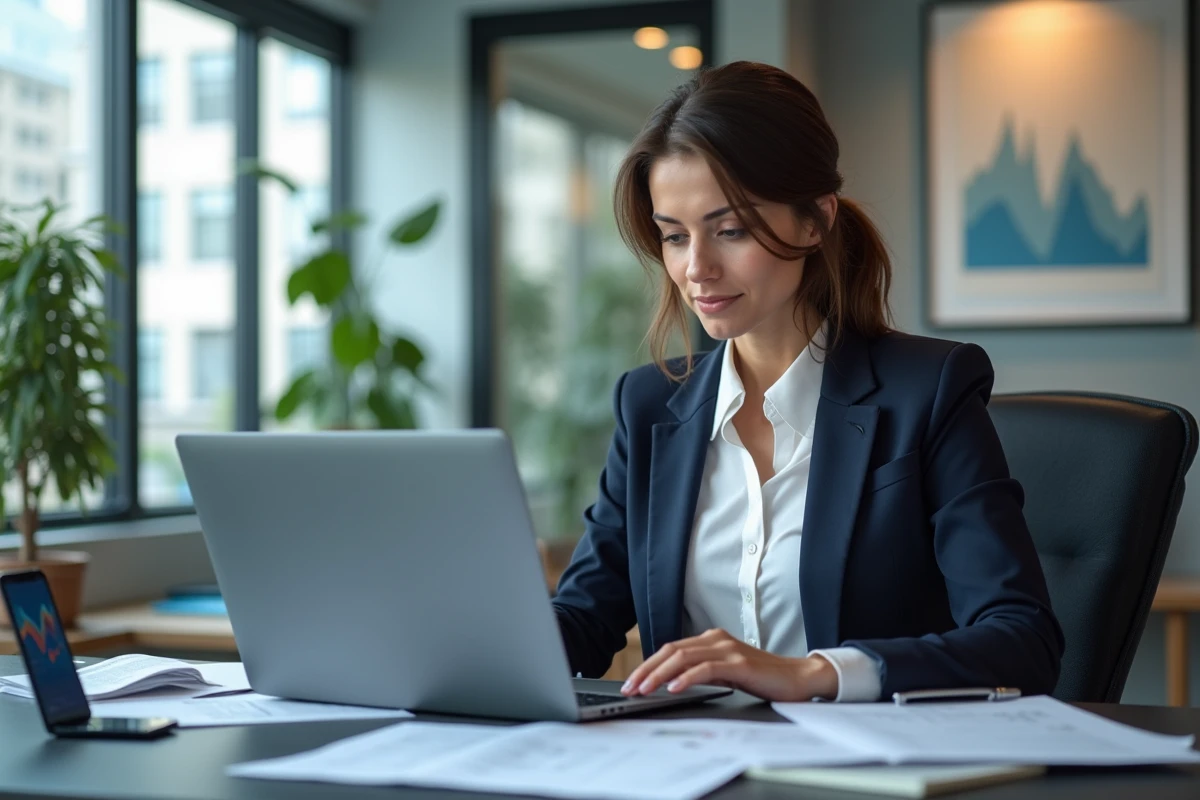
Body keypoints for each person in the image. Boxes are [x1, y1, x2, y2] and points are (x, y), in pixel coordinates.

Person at [550, 61, 1064, 703]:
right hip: (688, 765)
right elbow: (582, 621)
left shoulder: (928, 391)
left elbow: (1022, 640)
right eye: (674, 237)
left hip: (867, 767)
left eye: (730, 230)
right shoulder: (649, 405)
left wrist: (812, 673)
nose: (696, 269)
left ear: (815, 220)